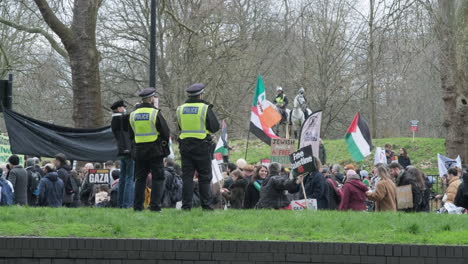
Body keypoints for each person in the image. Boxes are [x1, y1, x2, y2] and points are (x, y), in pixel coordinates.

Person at [176, 83, 220, 211]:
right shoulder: (204, 108)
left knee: (187, 177)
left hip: (185, 146)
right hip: (202, 146)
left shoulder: (180, 109)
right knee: (205, 177)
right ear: (201, 95)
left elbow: (180, 126)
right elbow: (215, 127)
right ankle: (206, 206)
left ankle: (186, 206)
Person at [129, 87, 171, 212]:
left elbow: (131, 134)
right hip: (154, 151)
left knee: (140, 178)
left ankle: (137, 206)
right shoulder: (155, 113)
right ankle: (155, 206)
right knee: (158, 178)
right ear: (151, 99)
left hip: (139, 151)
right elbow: (165, 131)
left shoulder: (133, 115)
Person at [110, 99, 135, 209]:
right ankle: (127, 204)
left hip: (121, 151)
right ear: (119, 108)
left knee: (123, 178)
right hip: (128, 151)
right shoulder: (121, 118)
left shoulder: (114, 120)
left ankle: (121, 203)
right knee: (130, 178)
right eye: (123, 107)